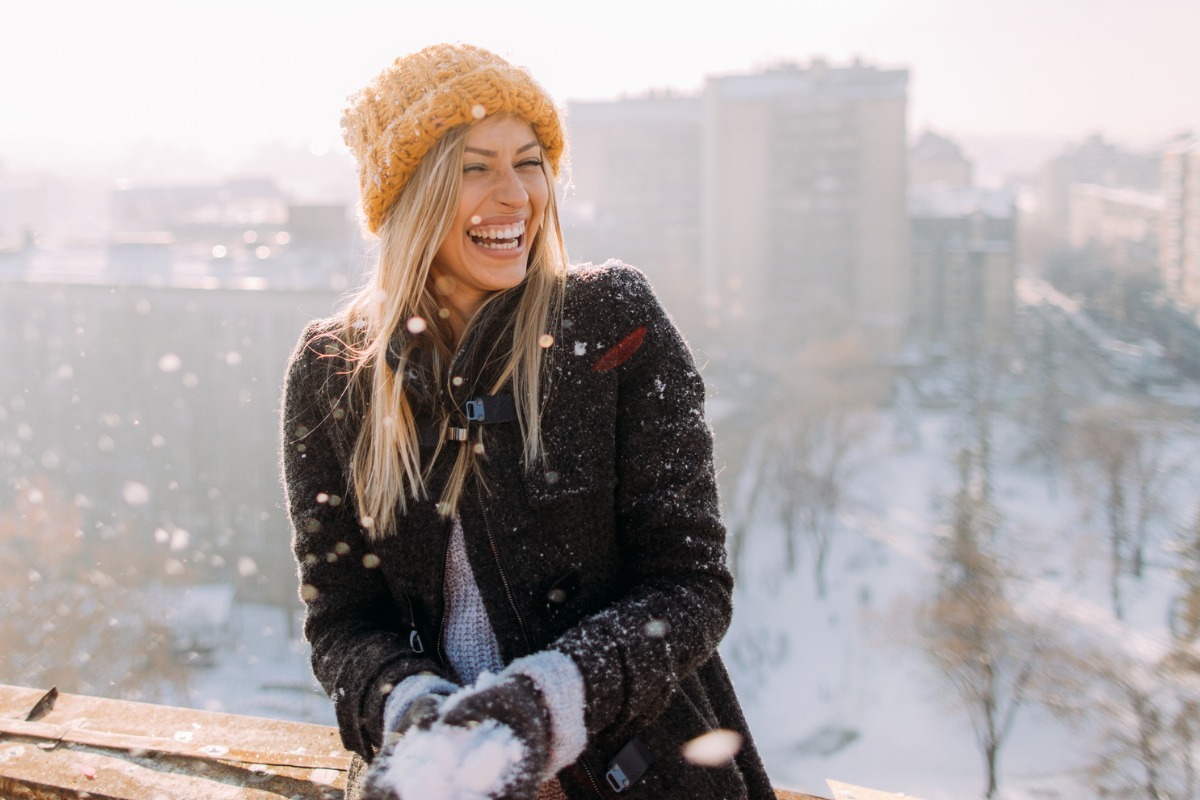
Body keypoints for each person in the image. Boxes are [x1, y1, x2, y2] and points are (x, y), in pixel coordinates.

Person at [280, 43, 774, 800]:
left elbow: (689, 588)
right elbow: (341, 622)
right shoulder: (332, 372)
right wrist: (411, 708)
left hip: (637, 776)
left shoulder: (614, 324)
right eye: (475, 166)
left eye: (531, 160)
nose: (515, 196)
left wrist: (546, 703)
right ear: (412, 191)